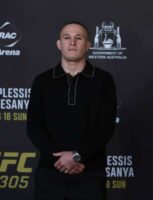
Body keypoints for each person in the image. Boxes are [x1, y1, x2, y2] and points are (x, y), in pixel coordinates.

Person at [27, 21, 116, 200]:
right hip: (50, 174)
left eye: (78, 38)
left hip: (90, 174)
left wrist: (77, 156)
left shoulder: (103, 80)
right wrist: (59, 161)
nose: (72, 42)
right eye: (67, 38)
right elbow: (34, 126)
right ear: (59, 44)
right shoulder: (42, 81)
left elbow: (105, 127)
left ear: (88, 45)